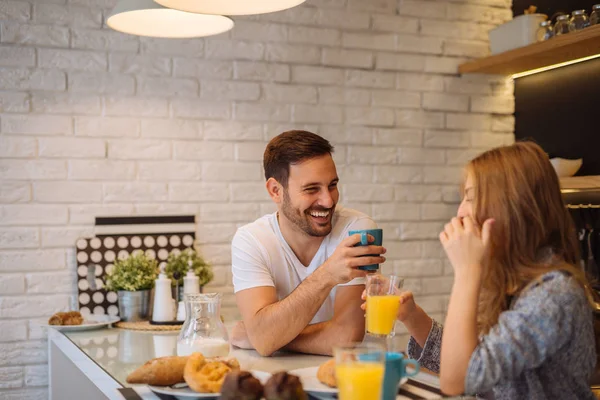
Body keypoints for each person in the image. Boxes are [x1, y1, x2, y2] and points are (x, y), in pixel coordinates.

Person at [377, 141, 597, 399]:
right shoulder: (510, 281)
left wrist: (467, 271)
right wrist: (412, 316)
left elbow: (458, 379)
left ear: (510, 205)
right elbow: (472, 360)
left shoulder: (554, 295)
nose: (460, 212)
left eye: (470, 198)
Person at [230, 130, 386, 356]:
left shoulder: (357, 230)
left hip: (346, 379)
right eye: (312, 189)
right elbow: (263, 338)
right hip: (278, 379)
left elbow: (346, 337)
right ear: (276, 191)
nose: (328, 200)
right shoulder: (251, 241)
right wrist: (328, 274)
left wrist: (268, 337)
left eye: (332, 185)